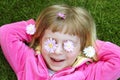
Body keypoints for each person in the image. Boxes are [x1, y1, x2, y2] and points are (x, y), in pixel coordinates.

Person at [0, 4, 120, 80]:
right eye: (51, 42)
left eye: (68, 45)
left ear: (81, 46)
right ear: (40, 39)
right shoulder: (27, 62)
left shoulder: (87, 74)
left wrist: (89, 43)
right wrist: (36, 30)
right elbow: (6, 32)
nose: (57, 51)